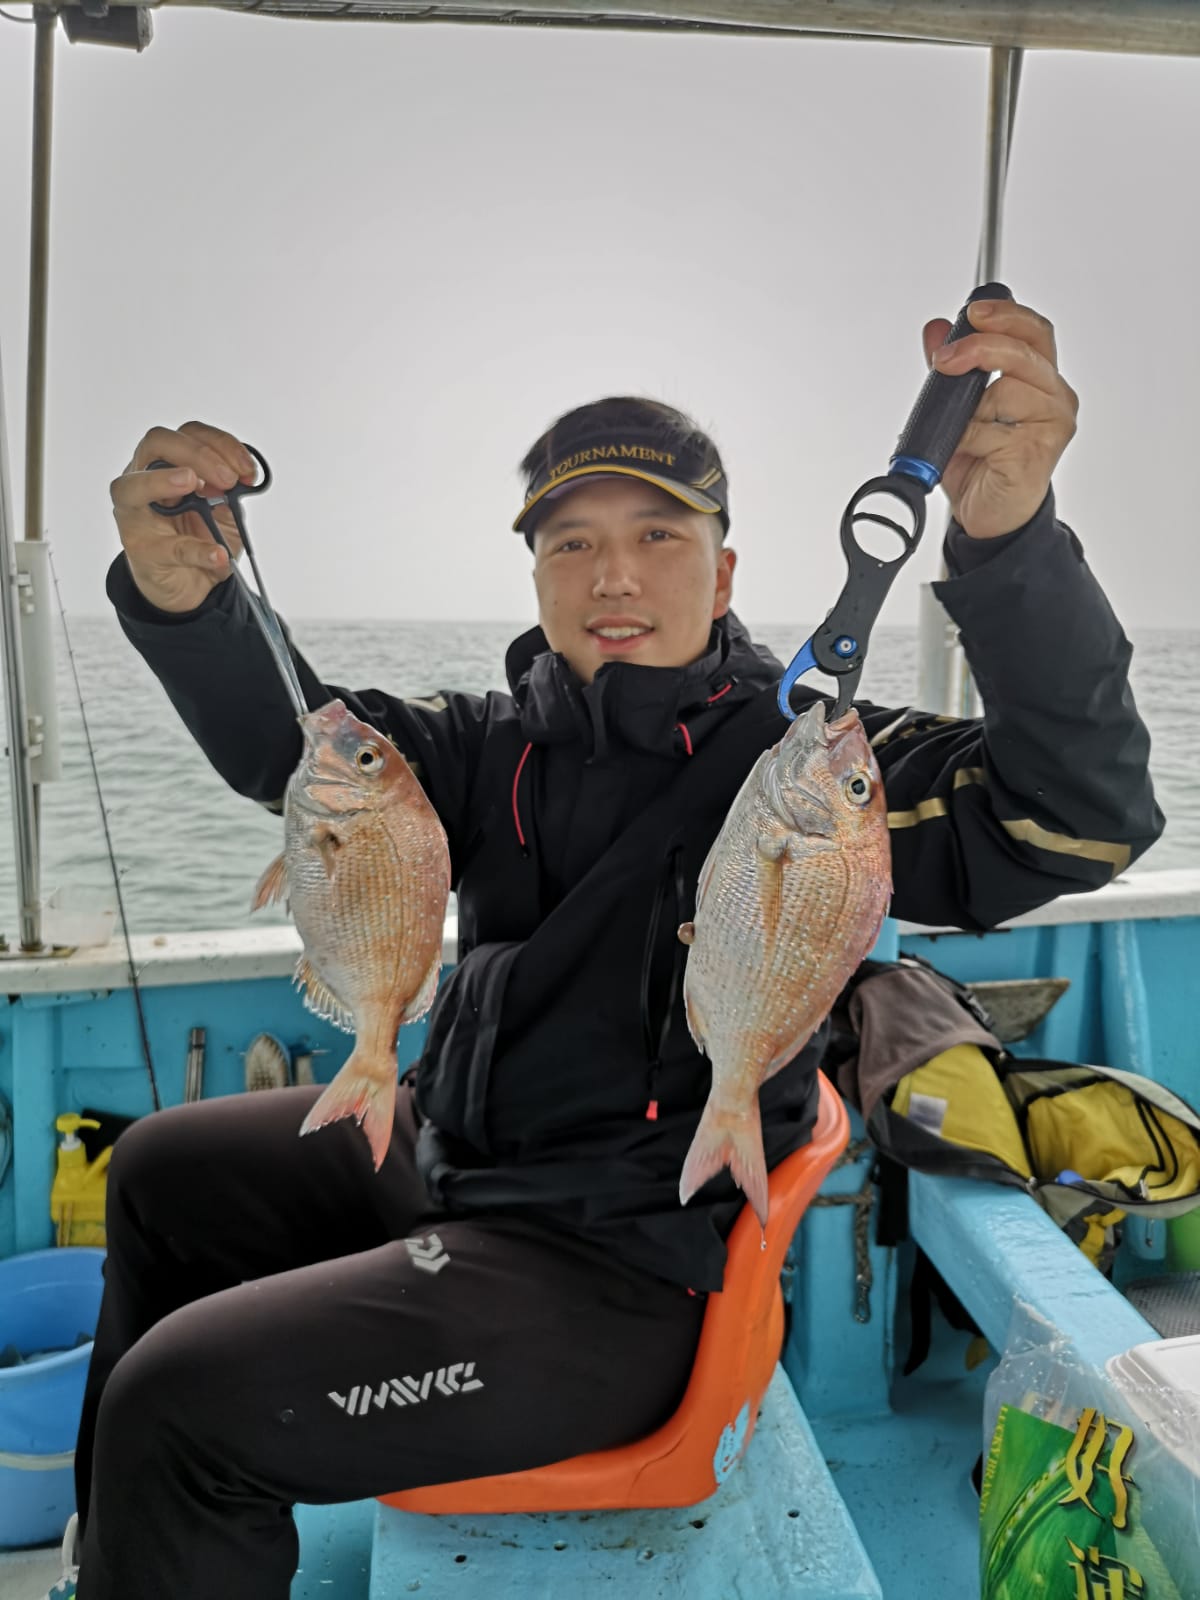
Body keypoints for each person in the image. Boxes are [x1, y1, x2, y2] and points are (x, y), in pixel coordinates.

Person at [49, 297, 1161, 1599]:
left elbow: (1073, 817)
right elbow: (296, 755)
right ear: (535, 576)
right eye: (570, 541)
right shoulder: (483, 744)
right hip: (459, 1160)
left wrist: (1010, 542)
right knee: (165, 1172)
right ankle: (119, 1561)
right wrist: (189, 602)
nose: (612, 576)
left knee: (177, 1408)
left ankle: (155, 1517)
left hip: (611, 1276)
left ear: (725, 574)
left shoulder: (806, 772)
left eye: (657, 535)